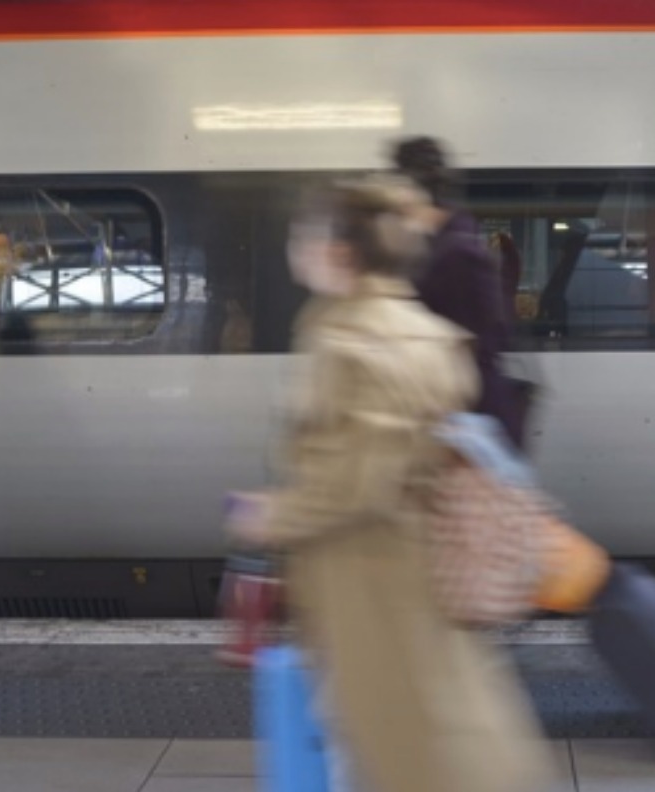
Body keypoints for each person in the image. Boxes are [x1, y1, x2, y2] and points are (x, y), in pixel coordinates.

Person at [226, 175, 553, 792]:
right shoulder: (414, 326)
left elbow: (355, 486)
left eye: (303, 235)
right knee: (436, 728)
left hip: (374, 587)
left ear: (339, 251)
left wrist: (268, 516)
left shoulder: (352, 341)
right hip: (412, 575)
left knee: (418, 748)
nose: (295, 248)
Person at [391, 136, 531, 449]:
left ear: (411, 191)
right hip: (465, 424)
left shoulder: (456, 254)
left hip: (472, 429)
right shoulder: (451, 242)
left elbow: (480, 347)